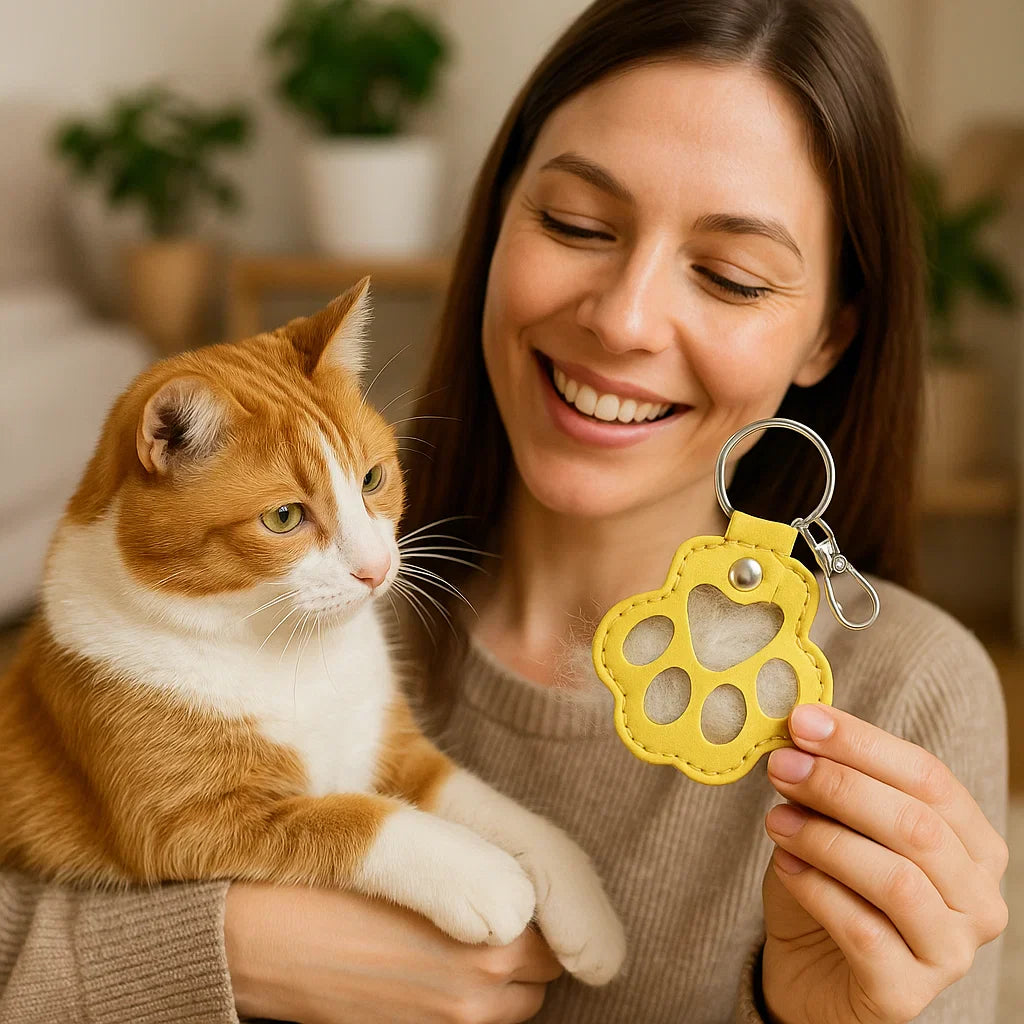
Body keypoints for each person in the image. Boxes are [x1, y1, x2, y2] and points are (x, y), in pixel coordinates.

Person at [0, 1, 1009, 1022]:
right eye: (574, 224)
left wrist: (811, 1014)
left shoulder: (904, 691)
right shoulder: (253, 603)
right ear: (492, 228)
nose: (621, 320)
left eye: (730, 276)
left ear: (825, 340)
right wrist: (226, 951)